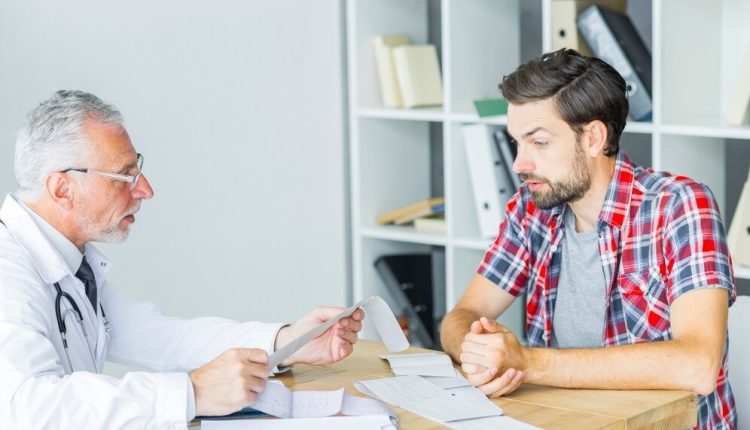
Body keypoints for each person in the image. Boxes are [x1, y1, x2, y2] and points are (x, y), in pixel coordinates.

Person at [0, 90, 364, 429]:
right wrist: (192, 392)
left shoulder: (71, 262)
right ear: (62, 188)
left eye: (137, 171)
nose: (145, 190)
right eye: (124, 176)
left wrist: (287, 341)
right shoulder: (9, 269)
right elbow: (28, 407)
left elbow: (162, 336)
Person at [440, 49, 736, 429]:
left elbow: (698, 365)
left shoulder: (679, 206)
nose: (519, 164)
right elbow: (460, 317)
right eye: (517, 143)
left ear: (593, 138)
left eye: (539, 142)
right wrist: (479, 349)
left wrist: (526, 362)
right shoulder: (531, 210)